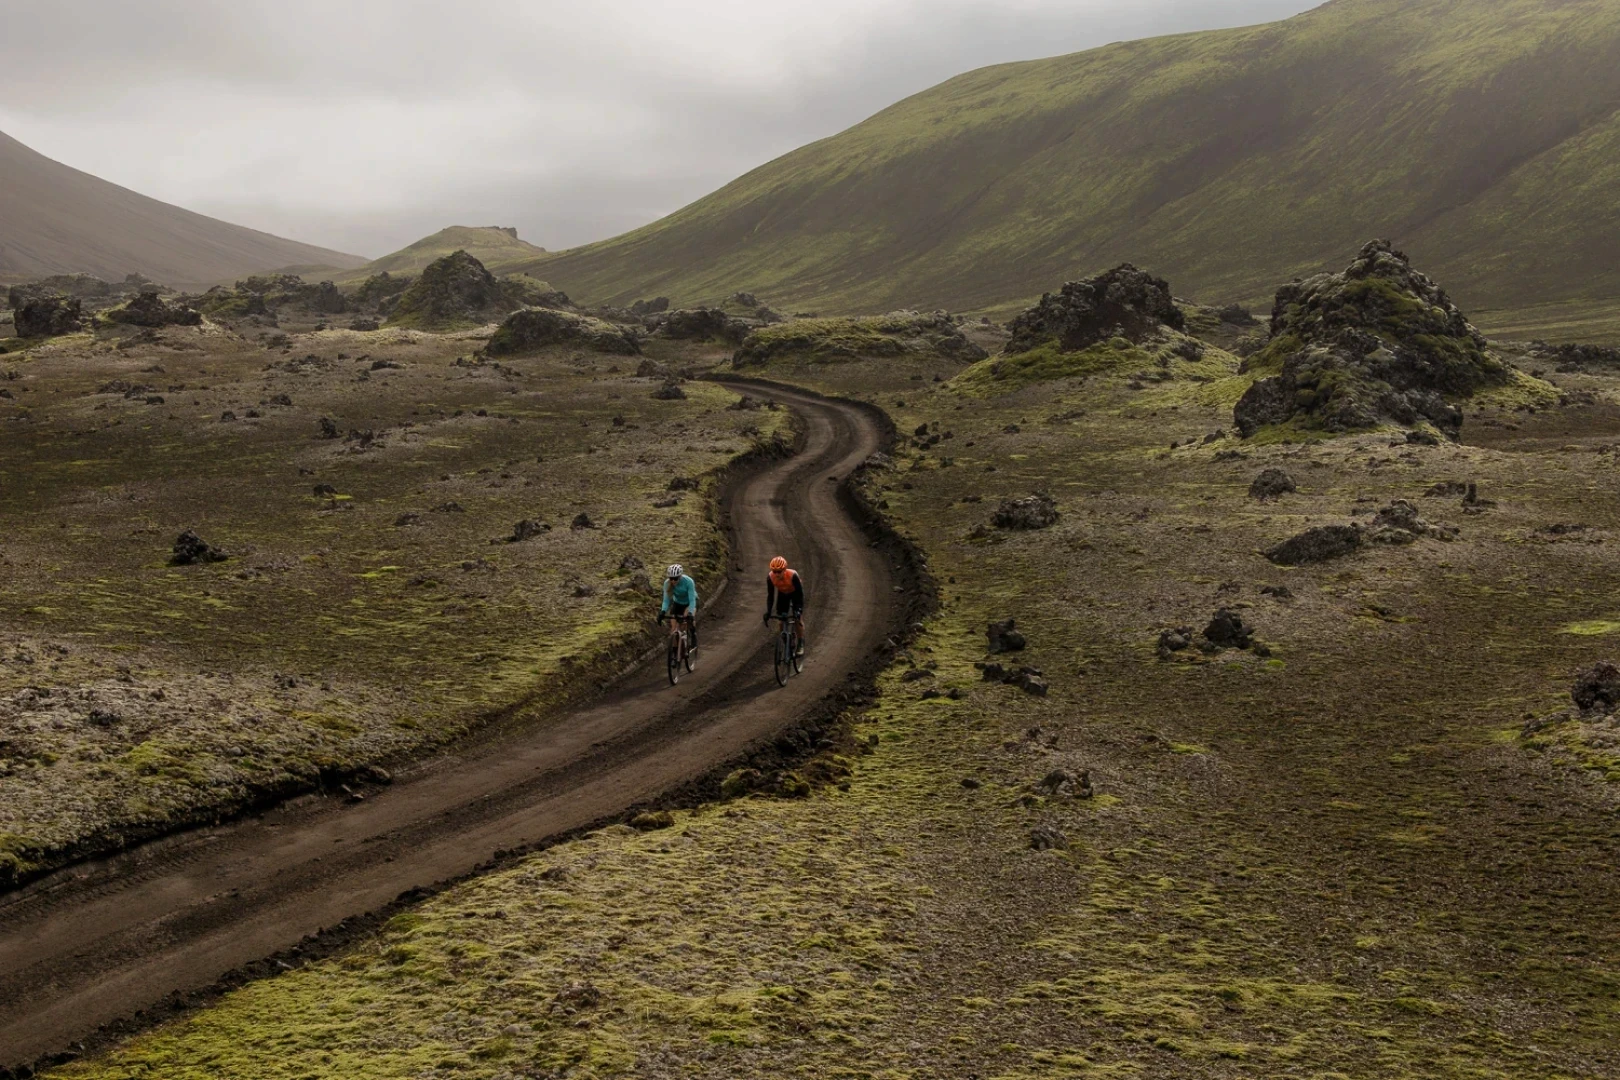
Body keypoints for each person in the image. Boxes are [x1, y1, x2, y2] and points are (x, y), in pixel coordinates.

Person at [762, 555, 806, 655]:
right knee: (781, 621)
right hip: (783, 594)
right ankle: (787, 643)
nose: (777, 574)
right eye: (774, 571)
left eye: (779, 571)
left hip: (795, 594)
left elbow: (800, 594)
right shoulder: (770, 577)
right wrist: (768, 611)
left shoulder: (793, 575)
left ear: (784, 570)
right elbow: (771, 596)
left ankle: (801, 644)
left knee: (798, 619)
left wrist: (798, 609)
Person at [659, 563, 698, 649]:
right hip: (677, 603)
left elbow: (692, 600)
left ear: (680, 576)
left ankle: (693, 634)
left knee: (685, 620)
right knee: (673, 629)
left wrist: (690, 613)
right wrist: (663, 611)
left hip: (689, 603)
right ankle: (676, 652)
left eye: (675, 578)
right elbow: (666, 600)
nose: (673, 581)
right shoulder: (667, 583)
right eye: (671, 578)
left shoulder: (688, 582)